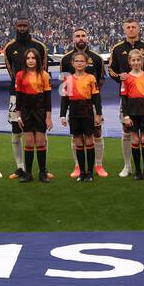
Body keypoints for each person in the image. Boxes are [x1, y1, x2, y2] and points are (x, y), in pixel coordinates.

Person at [109, 19, 144, 178]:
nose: (131, 30)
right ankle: (127, 166)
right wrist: (120, 76)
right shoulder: (117, 49)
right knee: (127, 131)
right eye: (128, 27)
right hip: (127, 98)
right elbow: (111, 71)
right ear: (124, 30)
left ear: (138, 29)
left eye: (134, 27)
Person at [4, 17, 49, 179]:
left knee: (41, 132)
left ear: (29, 27)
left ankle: (43, 169)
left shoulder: (39, 46)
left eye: (25, 26)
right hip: (16, 96)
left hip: (37, 98)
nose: (22, 28)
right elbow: (11, 72)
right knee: (16, 130)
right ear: (15, 27)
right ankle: (20, 167)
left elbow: (43, 70)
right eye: (19, 26)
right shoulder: (9, 47)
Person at [60, 28, 106, 178]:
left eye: (83, 35)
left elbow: (100, 80)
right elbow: (64, 88)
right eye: (77, 36)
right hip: (74, 106)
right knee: (77, 137)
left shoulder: (97, 58)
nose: (80, 38)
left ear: (87, 38)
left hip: (90, 103)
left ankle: (98, 165)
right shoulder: (65, 59)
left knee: (96, 133)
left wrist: (95, 106)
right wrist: (62, 113)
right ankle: (78, 167)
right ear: (73, 39)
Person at [14, 47, 52, 182]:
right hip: (26, 111)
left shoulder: (44, 75)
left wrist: (48, 117)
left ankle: (42, 173)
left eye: (33, 58)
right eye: (28, 58)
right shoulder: (19, 75)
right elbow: (18, 97)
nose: (30, 60)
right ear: (25, 60)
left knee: (41, 141)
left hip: (40, 111)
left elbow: (48, 98)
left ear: (38, 60)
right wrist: (18, 116)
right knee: (29, 142)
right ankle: (28, 174)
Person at [118, 48, 144, 180]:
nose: (136, 62)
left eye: (138, 60)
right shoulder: (126, 78)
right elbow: (123, 99)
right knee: (134, 139)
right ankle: (137, 171)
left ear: (142, 61)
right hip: (132, 113)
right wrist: (126, 116)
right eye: (133, 60)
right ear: (129, 62)